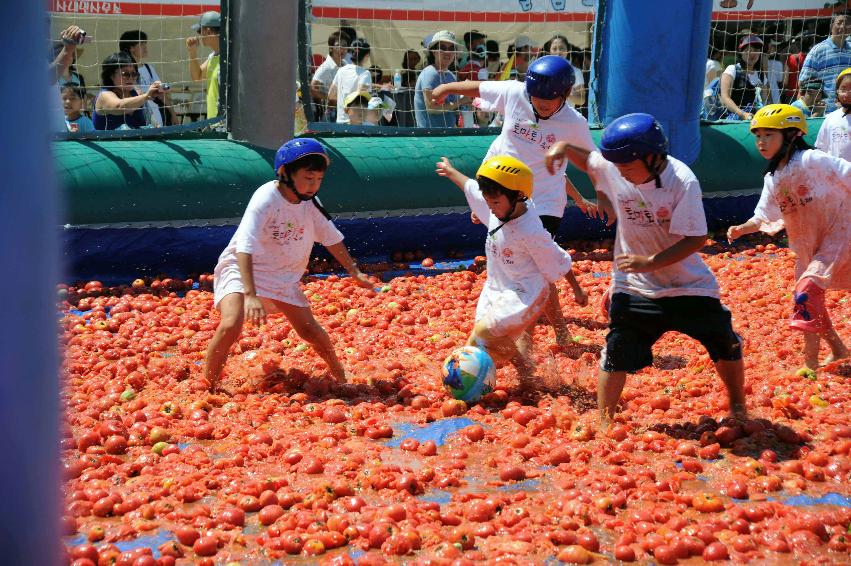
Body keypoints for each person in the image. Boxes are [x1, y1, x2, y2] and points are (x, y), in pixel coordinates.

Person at [547, 114, 746, 428]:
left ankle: (737, 404)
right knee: (617, 348)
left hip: (687, 284)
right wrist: (561, 147)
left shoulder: (682, 181)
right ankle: (604, 422)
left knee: (724, 343)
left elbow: (696, 238)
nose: (621, 173)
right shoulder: (619, 166)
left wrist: (650, 261)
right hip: (635, 284)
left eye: (627, 167)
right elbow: (589, 161)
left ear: (653, 158)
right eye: (619, 167)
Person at [431, 55, 606, 349]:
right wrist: (448, 88)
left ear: (564, 94)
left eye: (548, 102)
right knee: (517, 261)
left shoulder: (574, 124)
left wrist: (603, 198)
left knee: (537, 264)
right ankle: (528, 328)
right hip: (501, 187)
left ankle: (550, 334)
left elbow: (593, 162)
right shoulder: (515, 93)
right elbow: (479, 88)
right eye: (535, 99)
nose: (540, 105)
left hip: (544, 200)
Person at [205, 139, 374, 392]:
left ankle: (341, 378)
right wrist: (250, 295)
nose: (313, 186)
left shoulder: (311, 205)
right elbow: (244, 246)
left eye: (318, 179)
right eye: (308, 178)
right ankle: (208, 385)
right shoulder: (265, 199)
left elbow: (332, 239)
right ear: (284, 174)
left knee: (311, 331)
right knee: (232, 322)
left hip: (281, 276)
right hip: (241, 267)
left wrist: (355, 271)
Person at [435, 155, 587, 387]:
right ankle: (518, 370)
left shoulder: (530, 231)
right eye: (487, 203)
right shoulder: (499, 205)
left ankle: (525, 368)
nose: (490, 208)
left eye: (495, 203)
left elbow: (558, 258)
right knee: (478, 344)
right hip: (497, 287)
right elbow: (470, 186)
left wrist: (577, 290)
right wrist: (450, 170)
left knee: (485, 332)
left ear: (518, 196)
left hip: (527, 292)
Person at [727, 104, 850, 370]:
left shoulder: (812, 160)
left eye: (769, 135)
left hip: (840, 234)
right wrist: (742, 228)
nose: (761, 142)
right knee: (808, 295)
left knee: (807, 291)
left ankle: (809, 364)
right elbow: (763, 214)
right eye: (758, 135)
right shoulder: (775, 176)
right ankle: (838, 349)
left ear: (793, 135)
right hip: (808, 244)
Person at [119, 30, 176, 127]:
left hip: (156, 117)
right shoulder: (123, 71)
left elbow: (162, 94)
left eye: (145, 43)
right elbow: (137, 93)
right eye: (141, 44)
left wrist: (172, 113)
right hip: (139, 119)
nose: (145, 47)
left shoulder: (148, 68)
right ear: (131, 47)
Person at [93, 52, 161, 130]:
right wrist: (146, 96)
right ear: (111, 75)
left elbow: (152, 123)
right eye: (125, 74)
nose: (131, 77)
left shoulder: (137, 94)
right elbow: (119, 106)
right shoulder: (104, 95)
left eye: (134, 74)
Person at [798, 12, 851, 106]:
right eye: (839, 23)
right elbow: (803, 82)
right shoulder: (818, 51)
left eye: (847, 23)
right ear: (831, 26)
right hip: (825, 112)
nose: (843, 27)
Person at [415, 30, 463, 128]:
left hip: (447, 135)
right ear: (434, 52)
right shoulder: (430, 73)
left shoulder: (451, 76)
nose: (448, 52)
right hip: (430, 137)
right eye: (443, 48)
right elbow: (432, 108)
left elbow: (451, 108)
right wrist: (461, 101)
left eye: (451, 48)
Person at [719, 34, 768, 121]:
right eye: (748, 50)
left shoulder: (761, 75)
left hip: (756, 120)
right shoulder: (732, 69)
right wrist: (743, 114)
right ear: (741, 52)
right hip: (733, 120)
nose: (752, 54)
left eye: (756, 50)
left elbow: (765, 100)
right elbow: (725, 98)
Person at [186, 10, 221, 119]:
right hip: (214, 120)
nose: (199, 36)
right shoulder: (213, 56)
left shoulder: (230, 58)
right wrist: (192, 52)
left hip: (223, 122)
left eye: (199, 31)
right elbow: (197, 76)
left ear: (208, 31)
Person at [311, 30, 352, 121]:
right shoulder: (326, 67)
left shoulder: (345, 64)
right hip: (331, 113)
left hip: (345, 111)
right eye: (338, 45)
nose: (342, 49)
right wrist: (330, 97)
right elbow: (313, 89)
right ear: (331, 48)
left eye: (345, 46)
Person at [328, 38, 372, 124]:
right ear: (367, 56)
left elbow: (331, 95)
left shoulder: (341, 70)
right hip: (355, 122)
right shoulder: (365, 73)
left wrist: (344, 100)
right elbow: (360, 97)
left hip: (340, 121)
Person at [815, 67, 851, 159]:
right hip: (834, 173)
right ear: (837, 92)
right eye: (843, 89)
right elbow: (821, 149)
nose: (847, 94)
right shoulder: (831, 118)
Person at [543, 34, 586, 109]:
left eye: (561, 48)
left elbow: (581, 100)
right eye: (554, 49)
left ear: (568, 50)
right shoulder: (543, 70)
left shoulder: (575, 71)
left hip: (567, 116)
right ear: (549, 51)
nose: (558, 52)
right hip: (546, 115)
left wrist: (564, 93)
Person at [765, 38, 787, 104]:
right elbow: (780, 79)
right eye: (773, 46)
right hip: (775, 98)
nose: (775, 48)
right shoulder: (778, 63)